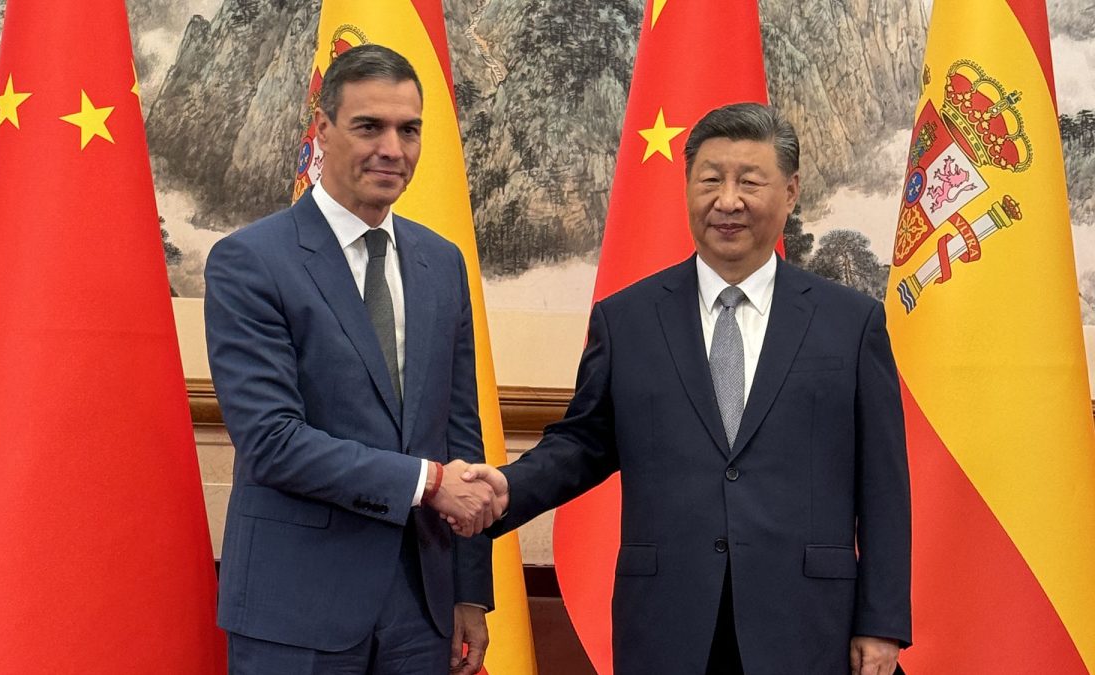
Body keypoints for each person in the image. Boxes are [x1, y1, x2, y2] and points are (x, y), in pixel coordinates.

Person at [471, 103, 911, 675]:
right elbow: (581, 445)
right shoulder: (627, 320)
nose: (727, 201)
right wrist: (503, 489)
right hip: (668, 624)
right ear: (687, 188)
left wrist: (880, 624)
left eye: (749, 182)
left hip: (808, 625)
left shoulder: (850, 324)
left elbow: (883, 486)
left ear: (792, 191)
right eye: (710, 180)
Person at [205, 44, 503, 675]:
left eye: (409, 129)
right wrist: (427, 483)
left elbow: (461, 434)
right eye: (369, 126)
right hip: (295, 611)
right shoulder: (251, 261)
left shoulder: (442, 262)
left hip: (423, 611)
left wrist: (470, 592)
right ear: (323, 130)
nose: (392, 149)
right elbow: (271, 441)